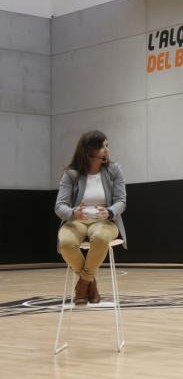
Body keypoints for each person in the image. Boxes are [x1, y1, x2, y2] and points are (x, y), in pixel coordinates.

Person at [54, 130, 127, 306]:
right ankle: (90, 283)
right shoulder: (71, 174)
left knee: (100, 238)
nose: (107, 150)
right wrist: (73, 213)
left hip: (105, 221)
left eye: (107, 146)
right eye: (103, 146)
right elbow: (59, 206)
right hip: (76, 221)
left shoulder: (114, 170)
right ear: (89, 150)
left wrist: (109, 212)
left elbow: (121, 201)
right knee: (65, 243)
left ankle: (82, 286)